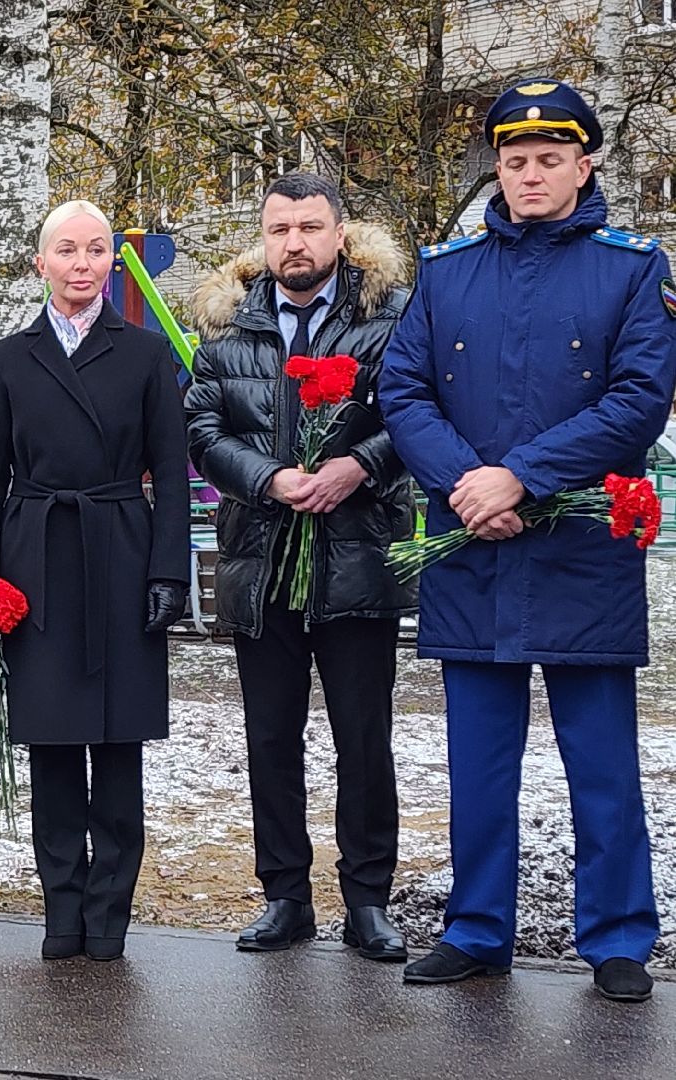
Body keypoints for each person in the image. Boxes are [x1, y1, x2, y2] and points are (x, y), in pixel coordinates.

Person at [380, 80, 676, 1003]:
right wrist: (469, 486)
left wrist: (521, 476)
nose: (531, 175)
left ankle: (618, 938)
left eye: (551, 159)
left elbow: (638, 400)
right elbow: (403, 389)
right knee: (476, 762)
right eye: (515, 161)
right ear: (498, 169)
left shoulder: (633, 270)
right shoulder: (448, 271)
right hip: (473, 548)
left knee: (601, 761)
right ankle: (476, 929)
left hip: (582, 549)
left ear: (585, 165)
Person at [184, 173, 416, 962]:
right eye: (280, 229)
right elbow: (203, 429)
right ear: (264, 237)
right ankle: (285, 895)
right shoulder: (229, 327)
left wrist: (360, 465)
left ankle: (368, 900)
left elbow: (415, 413)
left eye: (310, 227)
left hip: (358, 555)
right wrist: (268, 478)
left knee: (364, 739)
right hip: (262, 556)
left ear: (339, 235)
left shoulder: (388, 318)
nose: (295, 243)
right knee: (271, 738)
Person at [0, 200, 190, 962]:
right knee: (53, 745)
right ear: (41, 263)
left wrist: (168, 571)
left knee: (119, 747)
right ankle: (63, 908)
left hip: (121, 553)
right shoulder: (9, 358)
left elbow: (173, 474)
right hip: (37, 564)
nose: (82, 264)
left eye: (96, 250)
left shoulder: (147, 353)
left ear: (111, 263)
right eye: (67, 250)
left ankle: (109, 914)